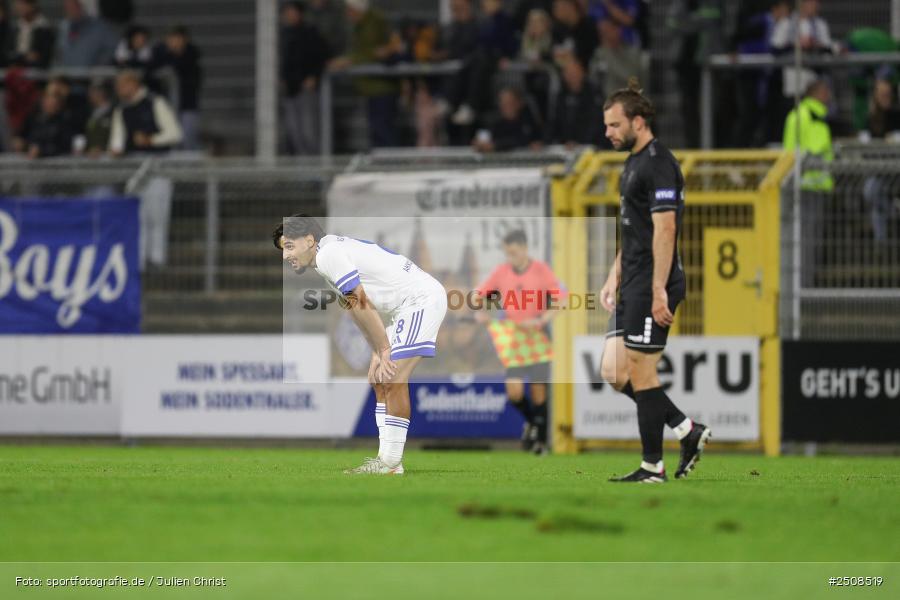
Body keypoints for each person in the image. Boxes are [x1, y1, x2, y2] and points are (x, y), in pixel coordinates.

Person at [599, 78, 711, 483]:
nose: (608, 133)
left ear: (639, 122)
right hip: (633, 280)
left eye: (614, 125)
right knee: (614, 371)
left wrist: (659, 288)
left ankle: (652, 466)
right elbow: (636, 230)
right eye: (606, 125)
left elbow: (665, 231)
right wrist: (614, 275)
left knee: (642, 372)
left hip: (652, 282)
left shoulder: (659, 163)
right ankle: (685, 428)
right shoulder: (633, 162)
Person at [274, 215, 448, 475]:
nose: (285, 255)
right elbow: (354, 308)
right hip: (404, 308)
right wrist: (377, 350)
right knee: (380, 379)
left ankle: (390, 463)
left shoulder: (329, 254)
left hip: (420, 300)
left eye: (289, 246)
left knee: (393, 378)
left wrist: (385, 348)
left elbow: (360, 299)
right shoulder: (327, 256)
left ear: (309, 240)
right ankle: (387, 461)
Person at [475, 229, 566, 454]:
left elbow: (561, 300)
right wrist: (482, 312)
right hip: (515, 339)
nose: (511, 257)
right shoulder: (501, 272)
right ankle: (533, 425)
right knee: (514, 392)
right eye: (507, 253)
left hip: (538, 337)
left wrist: (540, 319)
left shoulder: (541, 271)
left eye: (514, 252)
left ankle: (540, 444)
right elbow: (480, 296)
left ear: (525, 248)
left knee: (538, 391)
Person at [328, 0, 402, 148]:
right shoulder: (362, 25)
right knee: (378, 131)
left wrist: (348, 60)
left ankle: (388, 160)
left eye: (349, 10)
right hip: (372, 87)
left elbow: (374, 52)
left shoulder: (373, 23)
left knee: (383, 131)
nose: (347, 14)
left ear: (357, 9)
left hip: (381, 87)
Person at [783, 79, 833, 286]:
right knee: (805, 242)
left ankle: (805, 285)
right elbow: (794, 152)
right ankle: (803, 286)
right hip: (805, 187)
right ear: (817, 93)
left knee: (809, 241)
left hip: (813, 186)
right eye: (826, 91)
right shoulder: (805, 116)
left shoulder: (813, 116)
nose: (829, 96)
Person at [279, 2, 328, 155]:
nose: (289, 15)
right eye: (287, 12)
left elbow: (320, 56)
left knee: (309, 131)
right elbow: (285, 61)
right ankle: (302, 165)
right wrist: (283, 79)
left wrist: (313, 76)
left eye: (292, 11)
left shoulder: (309, 32)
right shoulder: (284, 34)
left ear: (299, 13)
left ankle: (316, 165)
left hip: (306, 87)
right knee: (294, 131)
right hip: (290, 88)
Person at [154, 26, 203, 150]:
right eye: (171, 39)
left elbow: (192, 81)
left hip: (187, 106)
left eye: (177, 38)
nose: (174, 42)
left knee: (188, 140)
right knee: (170, 140)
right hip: (166, 106)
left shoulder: (192, 56)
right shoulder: (161, 56)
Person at [546, 57, 604, 147]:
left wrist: (580, 143)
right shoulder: (561, 95)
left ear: (583, 73)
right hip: (566, 147)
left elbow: (596, 123)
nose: (572, 76)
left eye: (575, 72)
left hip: (591, 146)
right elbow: (554, 122)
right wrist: (545, 142)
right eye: (568, 73)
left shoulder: (594, 94)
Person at [473, 86, 542, 152]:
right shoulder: (491, 121)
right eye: (503, 102)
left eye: (510, 102)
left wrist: (496, 145)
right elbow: (482, 142)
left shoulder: (528, 121)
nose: (506, 106)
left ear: (519, 103)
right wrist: (481, 144)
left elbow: (527, 140)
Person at [56, 0, 117, 68]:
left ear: (81, 6)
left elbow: (111, 49)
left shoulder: (99, 27)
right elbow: (60, 52)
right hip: (68, 72)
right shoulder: (64, 27)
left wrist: (98, 68)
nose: (70, 10)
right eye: (67, 7)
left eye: (74, 6)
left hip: (91, 73)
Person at [22, 90, 74, 158]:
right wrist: (22, 143)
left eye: (53, 104)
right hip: (30, 159)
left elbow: (64, 146)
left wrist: (41, 151)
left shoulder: (64, 122)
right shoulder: (33, 119)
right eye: (47, 103)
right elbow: (26, 137)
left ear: (59, 106)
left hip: (55, 161)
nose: (49, 106)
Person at [8, 0, 55, 68]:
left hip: (35, 72)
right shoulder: (15, 28)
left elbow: (43, 58)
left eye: (23, 4)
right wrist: (24, 57)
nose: (19, 7)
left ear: (32, 5)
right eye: (18, 4)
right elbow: (8, 54)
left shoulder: (45, 29)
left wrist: (21, 58)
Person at [550, 0, 596, 69]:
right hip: (565, 70)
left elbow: (592, 54)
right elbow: (555, 53)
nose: (554, 11)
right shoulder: (558, 29)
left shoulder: (589, 26)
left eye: (557, 7)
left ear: (570, 6)